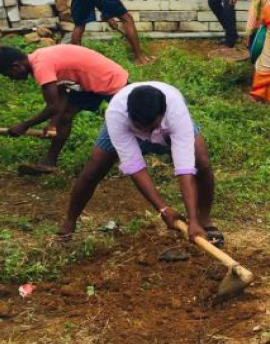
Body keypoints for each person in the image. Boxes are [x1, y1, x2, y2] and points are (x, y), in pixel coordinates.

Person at [63, 82, 223, 245]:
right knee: (93, 169)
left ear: (163, 114)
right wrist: (163, 209)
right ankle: (69, 222)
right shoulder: (116, 114)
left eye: (151, 126)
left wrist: (192, 219)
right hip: (127, 132)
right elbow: (135, 167)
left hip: (168, 130)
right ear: (129, 114)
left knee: (201, 162)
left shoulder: (176, 112)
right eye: (140, 126)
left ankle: (203, 220)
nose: (146, 132)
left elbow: (184, 169)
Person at [0, 45, 128, 175]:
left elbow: (53, 106)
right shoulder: (38, 58)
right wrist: (53, 124)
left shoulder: (41, 66)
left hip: (109, 79)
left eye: (9, 74)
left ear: (16, 66)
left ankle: (127, 157)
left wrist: (25, 125)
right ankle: (49, 163)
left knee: (126, 120)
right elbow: (61, 93)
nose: (11, 79)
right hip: (89, 81)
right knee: (64, 116)